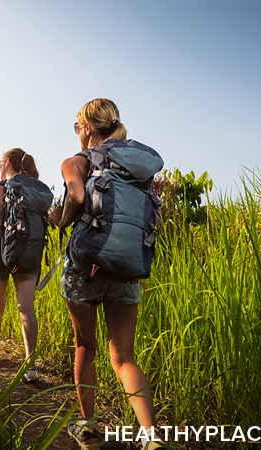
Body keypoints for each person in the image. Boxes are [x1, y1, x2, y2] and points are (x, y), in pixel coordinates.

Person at [49, 98, 165, 450]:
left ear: (86, 127)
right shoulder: (136, 167)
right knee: (124, 356)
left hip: (87, 265)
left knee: (86, 344)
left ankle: (87, 427)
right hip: (128, 267)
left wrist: (60, 219)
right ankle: (151, 438)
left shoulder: (77, 160)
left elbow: (76, 194)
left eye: (77, 127)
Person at [0, 147, 45, 383]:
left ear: (7, 163)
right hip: (27, 250)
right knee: (26, 307)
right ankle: (31, 365)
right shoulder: (32, 190)